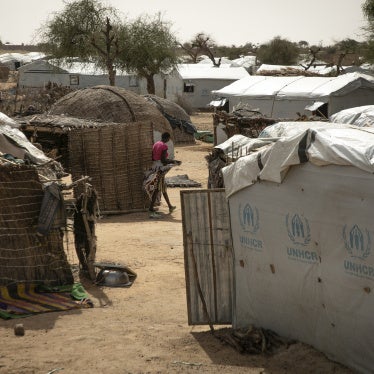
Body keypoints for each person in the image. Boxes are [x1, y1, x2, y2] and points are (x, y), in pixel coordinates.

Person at [143, 132, 181, 218]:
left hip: (155, 167)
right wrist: (174, 161)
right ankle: (151, 208)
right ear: (167, 138)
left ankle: (170, 206)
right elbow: (164, 160)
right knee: (157, 189)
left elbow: (153, 157)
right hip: (160, 169)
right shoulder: (164, 146)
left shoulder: (156, 144)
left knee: (163, 187)